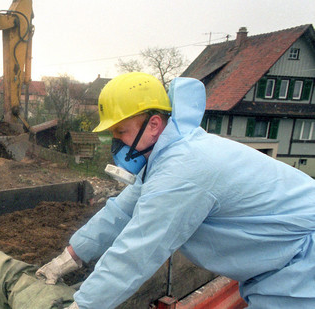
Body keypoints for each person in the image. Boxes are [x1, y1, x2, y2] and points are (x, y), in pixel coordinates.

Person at [36, 72, 315, 309]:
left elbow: (137, 252)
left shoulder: (185, 170)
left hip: (301, 265)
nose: (116, 142)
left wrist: (83, 305)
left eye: (121, 132)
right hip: (279, 262)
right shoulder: (168, 158)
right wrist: (69, 257)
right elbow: (120, 212)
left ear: (154, 125)